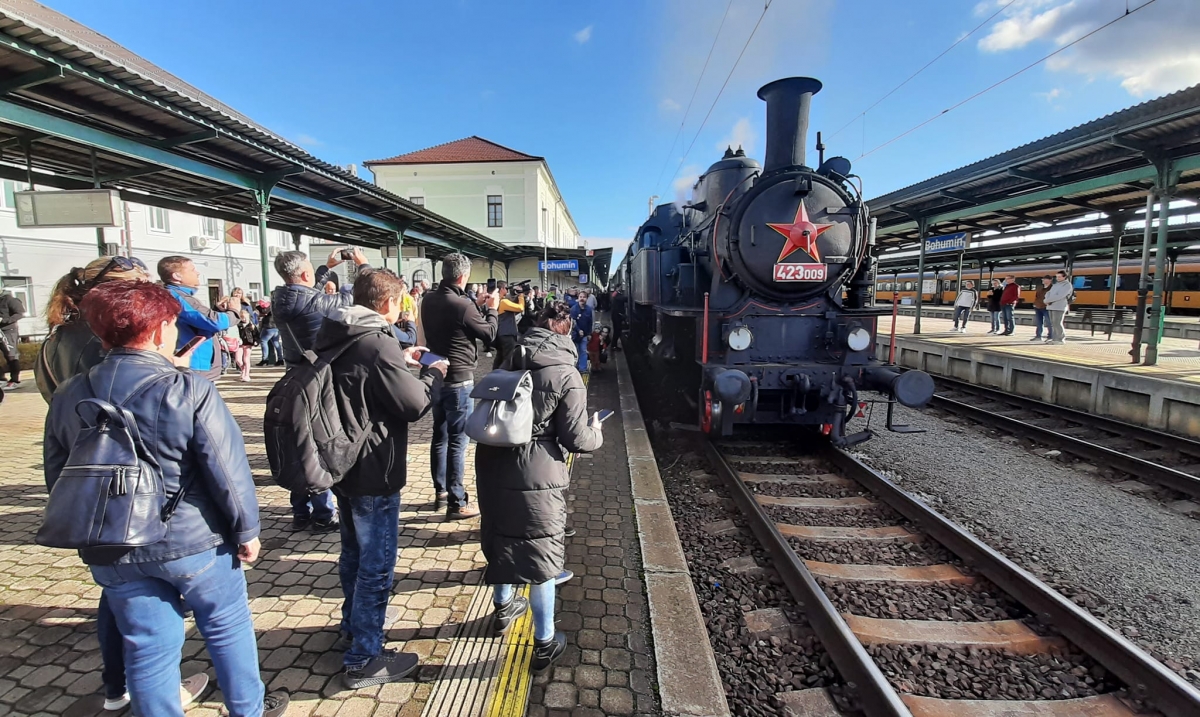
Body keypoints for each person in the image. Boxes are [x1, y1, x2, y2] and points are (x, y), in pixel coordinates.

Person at [42, 280, 288, 717]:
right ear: (158, 331)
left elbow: (59, 475)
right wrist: (247, 529)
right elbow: (226, 470)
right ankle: (248, 710)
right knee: (227, 628)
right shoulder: (187, 388)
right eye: (172, 323)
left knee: (147, 646)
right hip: (194, 540)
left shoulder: (68, 394)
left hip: (112, 544)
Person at [315, 270, 447, 688]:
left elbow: (362, 379)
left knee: (352, 552)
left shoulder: (338, 332)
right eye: (402, 301)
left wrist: (401, 361)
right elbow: (412, 406)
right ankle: (364, 658)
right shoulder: (379, 343)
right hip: (375, 466)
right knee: (377, 565)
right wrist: (432, 374)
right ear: (388, 303)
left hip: (342, 462)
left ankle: (351, 627)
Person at [476, 301, 603, 673]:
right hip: (537, 471)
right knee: (540, 554)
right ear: (566, 330)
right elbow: (576, 438)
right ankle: (545, 642)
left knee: (500, 535)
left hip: (492, 459)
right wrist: (597, 433)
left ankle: (503, 609)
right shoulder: (567, 373)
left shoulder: (510, 356)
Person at [272, 248, 370, 533]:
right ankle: (324, 513)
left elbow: (305, 292)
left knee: (297, 441)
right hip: (318, 381)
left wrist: (325, 269)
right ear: (304, 273)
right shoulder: (316, 303)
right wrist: (362, 265)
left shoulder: (281, 297)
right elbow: (355, 297)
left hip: (292, 376)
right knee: (318, 444)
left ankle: (300, 511)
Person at [421, 252, 499, 518]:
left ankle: (440, 490)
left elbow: (454, 319)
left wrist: (473, 304)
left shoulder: (428, 299)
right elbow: (489, 334)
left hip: (435, 377)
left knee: (439, 435)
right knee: (458, 441)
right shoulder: (462, 305)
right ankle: (457, 501)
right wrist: (492, 308)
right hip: (459, 379)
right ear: (463, 276)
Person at [34, 257, 150, 402]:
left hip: (70, 423)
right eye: (143, 291)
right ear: (111, 292)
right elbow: (142, 401)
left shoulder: (55, 338)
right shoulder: (109, 340)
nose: (150, 299)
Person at [158, 256, 239, 381]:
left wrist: (217, 310)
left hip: (193, 363)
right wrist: (234, 311)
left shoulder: (176, 295)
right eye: (192, 269)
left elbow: (199, 320)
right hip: (194, 363)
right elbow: (214, 322)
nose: (197, 273)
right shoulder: (178, 297)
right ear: (177, 276)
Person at [495, 281, 525, 369]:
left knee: (500, 357)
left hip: (501, 332)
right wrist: (521, 296)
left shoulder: (498, 300)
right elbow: (520, 308)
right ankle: (504, 374)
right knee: (508, 357)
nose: (507, 290)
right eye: (506, 288)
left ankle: (495, 373)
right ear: (501, 289)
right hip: (507, 333)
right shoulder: (503, 302)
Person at [0, 285, 26, 389]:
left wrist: (4, 320)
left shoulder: (10, 299)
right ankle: (1, 379)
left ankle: (15, 380)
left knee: (11, 356)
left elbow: (20, 314)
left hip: (8, 331)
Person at [1044, 270, 1072, 345]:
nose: (1057, 278)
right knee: (1053, 323)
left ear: (1065, 277)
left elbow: (1060, 295)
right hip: (1051, 306)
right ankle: (1055, 338)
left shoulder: (1067, 285)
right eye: (1057, 277)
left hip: (1059, 307)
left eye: (1059, 277)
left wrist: (1048, 300)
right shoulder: (1055, 285)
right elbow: (1048, 293)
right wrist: (1046, 300)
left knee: (1057, 323)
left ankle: (1060, 339)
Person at [255, 299, 283, 367]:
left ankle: (265, 359)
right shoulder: (278, 306)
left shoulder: (268, 306)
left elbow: (262, 311)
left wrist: (258, 306)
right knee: (276, 342)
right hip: (276, 326)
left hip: (268, 326)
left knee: (263, 341)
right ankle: (280, 359)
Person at [572, 292, 594, 372]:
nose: (582, 298)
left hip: (584, 334)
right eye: (580, 297)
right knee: (576, 351)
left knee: (583, 351)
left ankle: (583, 368)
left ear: (586, 299)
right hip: (575, 334)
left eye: (584, 297)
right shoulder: (574, 309)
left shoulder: (588, 309)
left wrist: (589, 333)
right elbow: (572, 321)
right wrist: (578, 330)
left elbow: (590, 322)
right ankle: (576, 367)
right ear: (578, 298)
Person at [236, 310, 259, 382]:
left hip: (248, 343)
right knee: (238, 360)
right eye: (242, 318)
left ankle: (247, 374)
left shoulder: (251, 325)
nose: (244, 319)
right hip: (239, 343)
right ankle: (243, 369)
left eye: (245, 318)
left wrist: (256, 341)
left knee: (246, 359)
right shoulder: (238, 325)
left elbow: (256, 335)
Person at [1032, 276, 1052, 342]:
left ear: (1050, 280)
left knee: (1049, 322)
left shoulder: (1052, 288)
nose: (1043, 281)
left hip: (1046, 307)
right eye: (1043, 279)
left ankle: (1050, 336)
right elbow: (1037, 296)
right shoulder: (1040, 288)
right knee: (1039, 322)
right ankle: (1038, 336)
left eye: (1045, 279)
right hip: (1038, 307)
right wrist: (1035, 303)